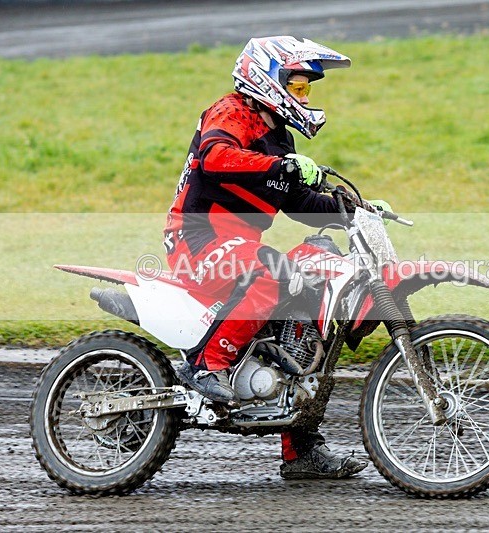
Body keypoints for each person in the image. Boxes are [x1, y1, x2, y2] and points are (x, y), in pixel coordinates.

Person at [163, 36, 382, 479]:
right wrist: (277, 167)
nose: (304, 97)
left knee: (314, 283)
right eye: (297, 87)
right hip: (197, 238)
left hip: (241, 243)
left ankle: (299, 450)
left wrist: (352, 210)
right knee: (275, 272)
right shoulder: (230, 111)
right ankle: (208, 366)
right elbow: (215, 158)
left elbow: (298, 201)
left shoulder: (278, 138)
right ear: (267, 76)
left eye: (306, 90)